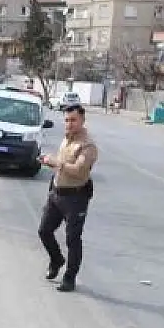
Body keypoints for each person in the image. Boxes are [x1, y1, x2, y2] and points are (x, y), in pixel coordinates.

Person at [37, 104, 99, 292]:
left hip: (76, 197)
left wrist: (56, 162)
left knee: (73, 239)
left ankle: (70, 277)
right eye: (66, 120)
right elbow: (62, 164)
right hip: (56, 193)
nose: (69, 124)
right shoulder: (66, 139)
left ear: (82, 120)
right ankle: (56, 259)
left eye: (73, 120)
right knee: (44, 231)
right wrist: (49, 162)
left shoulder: (88, 146)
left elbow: (79, 171)